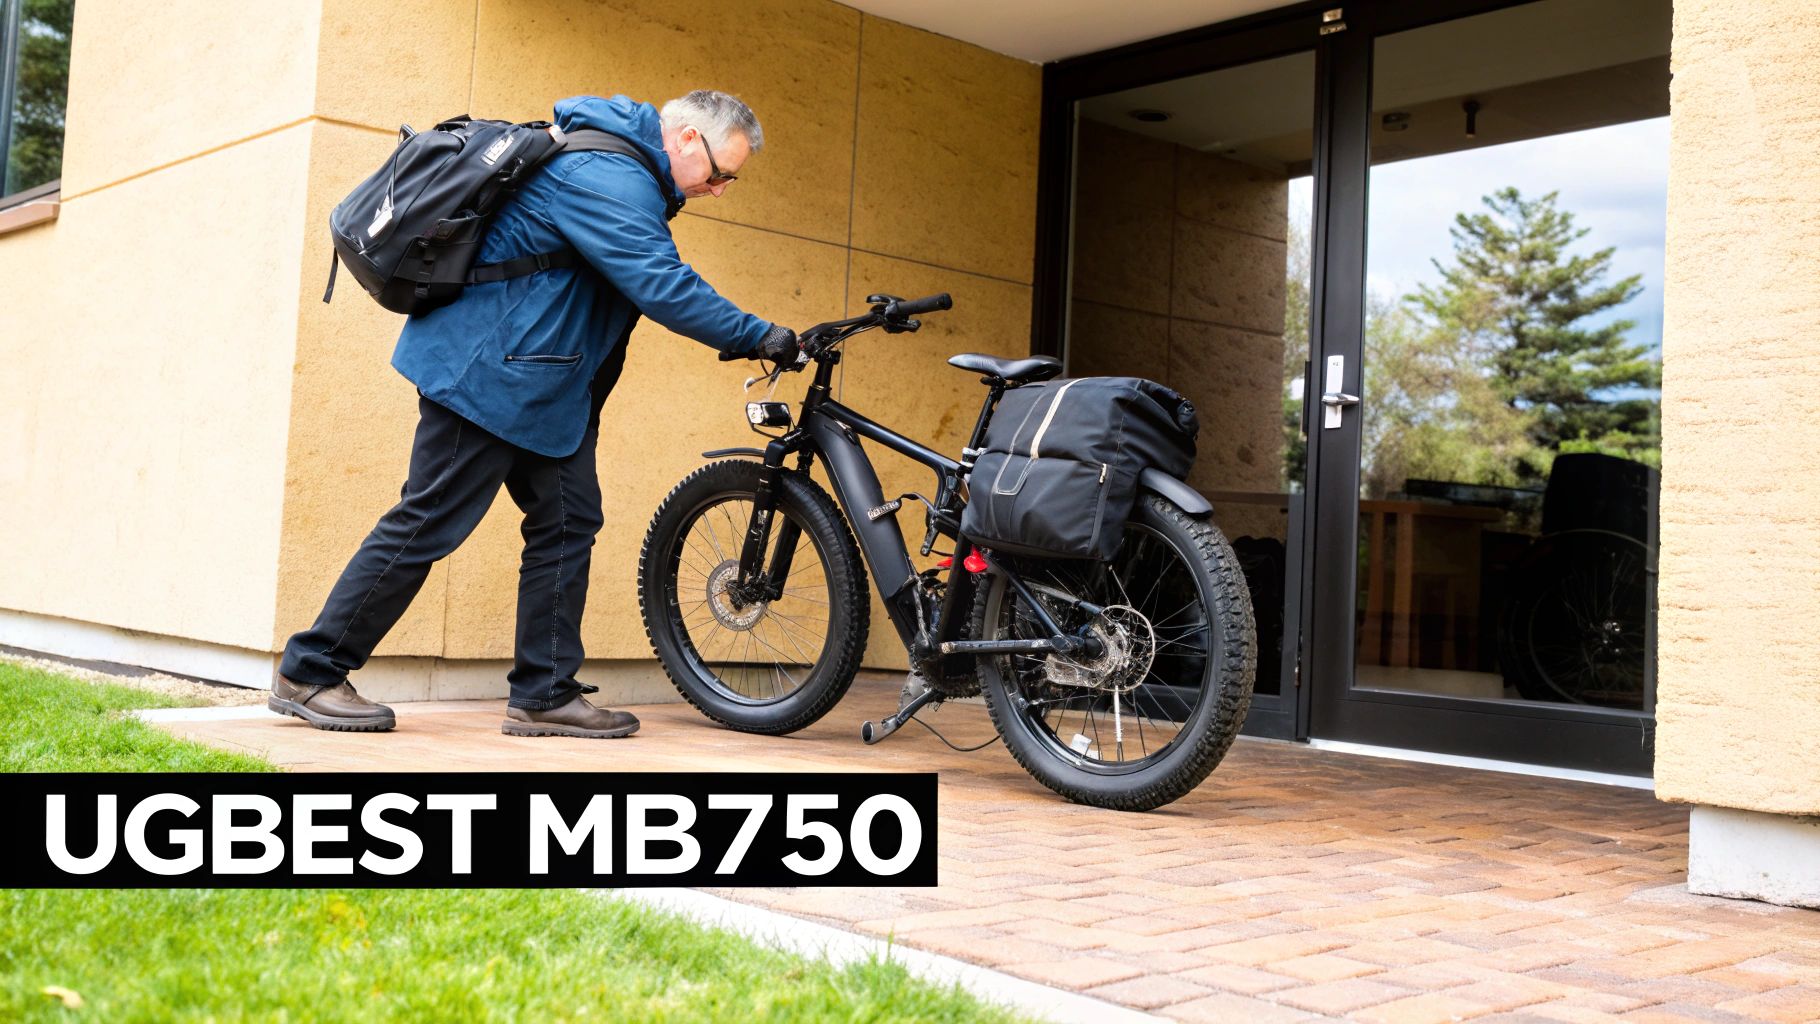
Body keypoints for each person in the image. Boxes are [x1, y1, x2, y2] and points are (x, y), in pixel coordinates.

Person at [270, 91, 799, 739]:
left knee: (568, 519)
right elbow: (660, 282)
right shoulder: (608, 175)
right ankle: (311, 671)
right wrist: (761, 334)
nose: (718, 190)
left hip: (541, 383)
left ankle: (544, 692)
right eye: (720, 173)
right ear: (687, 139)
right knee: (428, 519)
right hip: (487, 371)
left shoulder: (627, 171)